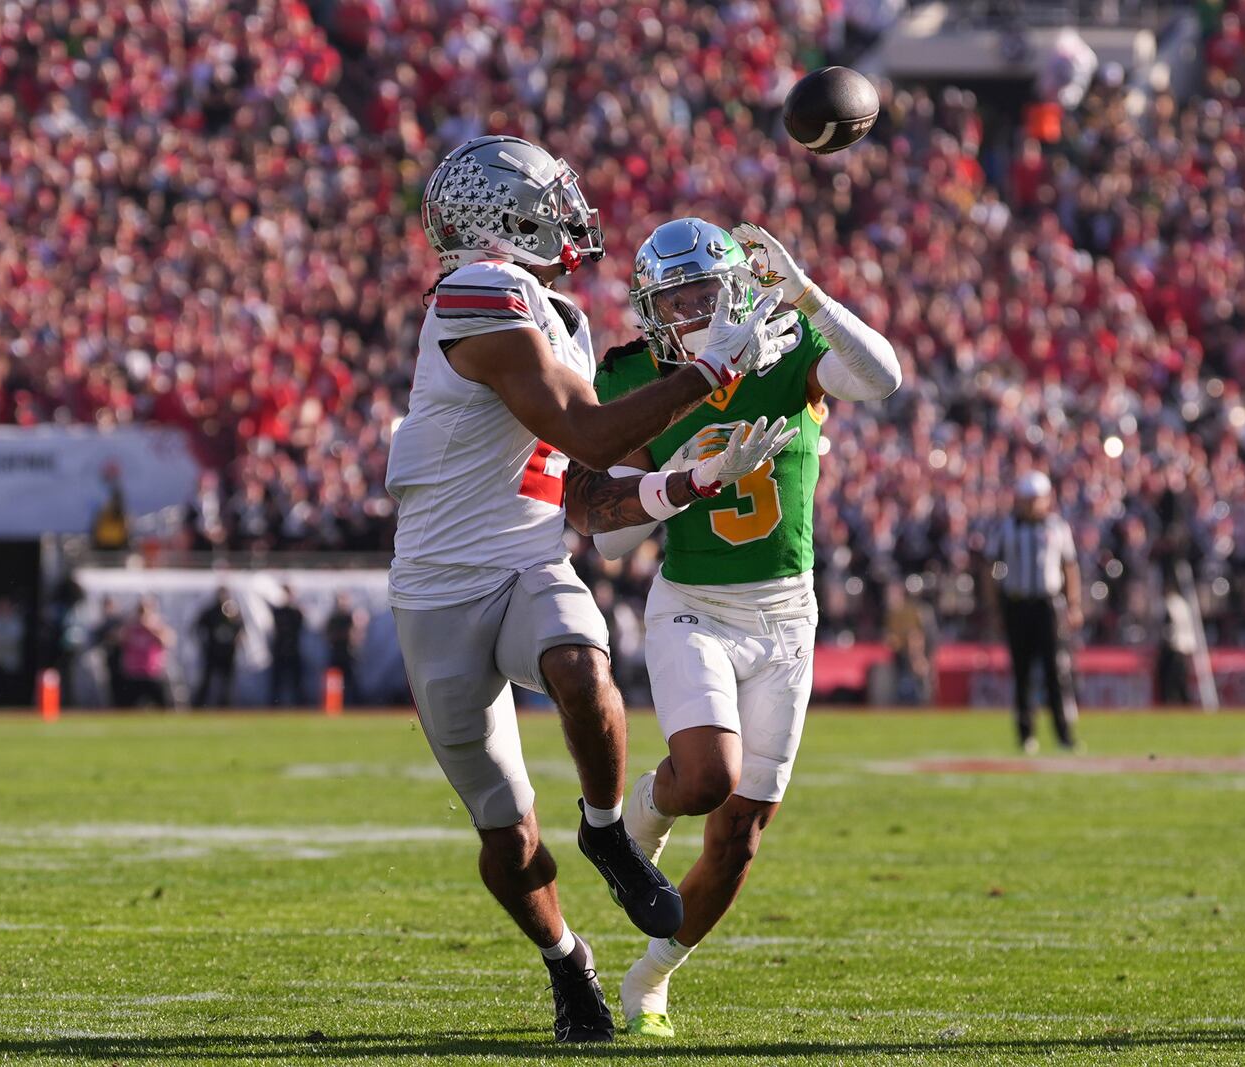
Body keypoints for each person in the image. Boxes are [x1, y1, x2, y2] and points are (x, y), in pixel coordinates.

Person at [385, 139, 794, 1042]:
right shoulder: (477, 292)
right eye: (548, 198)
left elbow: (592, 491)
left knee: (581, 662)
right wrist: (709, 372)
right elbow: (582, 425)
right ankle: (569, 961)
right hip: (440, 584)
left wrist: (685, 476)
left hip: (528, 556)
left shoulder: (557, 313)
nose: (570, 210)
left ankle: (607, 829)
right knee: (505, 832)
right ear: (498, 218)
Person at [577, 217, 900, 1038]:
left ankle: (652, 977)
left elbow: (884, 377)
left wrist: (813, 297)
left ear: (739, 289)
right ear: (651, 309)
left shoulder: (789, 348)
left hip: (788, 612)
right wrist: (688, 480)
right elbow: (609, 537)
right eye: (672, 297)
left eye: (701, 290)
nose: (689, 310)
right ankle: (632, 825)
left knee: (741, 838)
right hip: (695, 605)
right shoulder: (636, 377)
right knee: (708, 775)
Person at [988, 472, 1083, 753]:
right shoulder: (1007, 528)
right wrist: (994, 607)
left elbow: (1070, 567)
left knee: (1056, 671)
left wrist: (1074, 604)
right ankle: (1025, 734)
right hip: (1017, 604)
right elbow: (990, 568)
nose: (1031, 506)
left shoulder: (1057, 527)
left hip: (1048, 605)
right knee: (1022, 672)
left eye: (1035, 500)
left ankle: (1064, 734)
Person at [119, 597, 175, 708]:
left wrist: (150, 629)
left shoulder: (157, 626)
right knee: (125, 708)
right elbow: (119, 641)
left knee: (166, 707)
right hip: (134, 673)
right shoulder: (131, 627)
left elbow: (167, 642)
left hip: (153, 673)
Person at [194, 588, 244, 707]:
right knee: (207, 680)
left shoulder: (233, 612)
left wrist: (238, 639)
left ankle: (225, 705)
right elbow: (198, 626)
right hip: (213, 652)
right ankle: (199, 705)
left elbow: (241, 628)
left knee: (227, 683)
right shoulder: (211, 612)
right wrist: (204, 643)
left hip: (228, 653)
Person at [323, 592, 367, 705]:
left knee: (351, 681)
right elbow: (329, 635)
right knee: (334, 681)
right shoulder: (334, 618)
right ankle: (334, 703)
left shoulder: (350, 617)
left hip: (348, 653)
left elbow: (356, 635)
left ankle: (355, 703)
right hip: (337, 653)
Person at [269, 585, 306, 707]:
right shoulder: (277, 611)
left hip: (292, 651)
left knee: (296, 683)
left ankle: (299, 706)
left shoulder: (295, 612)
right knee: (277, 683)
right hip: (280, 651)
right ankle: (274, 707)